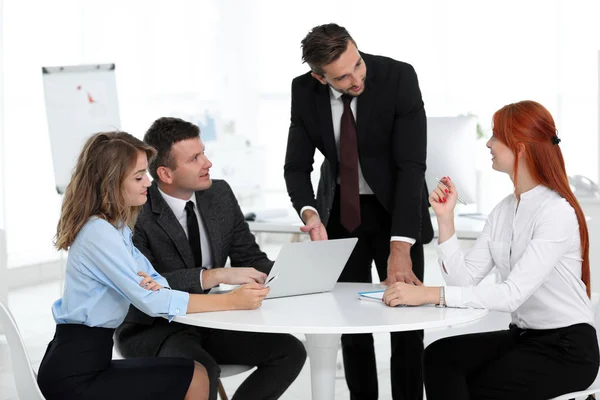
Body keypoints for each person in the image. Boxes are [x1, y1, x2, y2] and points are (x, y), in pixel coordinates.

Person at [383, 100, 600, 399]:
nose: (488, 143)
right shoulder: (503, 210)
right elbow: (464, 283)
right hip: (524, 337)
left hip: (567, 349)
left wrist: (427, 294)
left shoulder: (556, 212)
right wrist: (446, 219)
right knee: (439, 356)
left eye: (496, 136)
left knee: (478, 386)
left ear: (520, 147)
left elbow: (512, 294)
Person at [37, 132, 270, 400]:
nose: (148, 182)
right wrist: (231, 301)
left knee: (196, 372)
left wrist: (154, 288)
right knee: (195, 377)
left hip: (88, 360)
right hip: (76, 373)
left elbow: (156, 281)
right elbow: (152, 300)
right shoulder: (98, 232)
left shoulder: (118, 229)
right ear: (111, 184)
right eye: (138, 177)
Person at [283, 23, 433, 400]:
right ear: (319, 77)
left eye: (357, 65)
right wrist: (310, 214)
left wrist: (401, 246)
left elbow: (411, 166)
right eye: (341, 76)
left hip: (398, 212)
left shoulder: (399, 77)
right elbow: (296, 167)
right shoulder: (303, 91)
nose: (355, 78)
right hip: (341, 213)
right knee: (350, 321)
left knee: (406, 322)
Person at [115, 117, 307, 400]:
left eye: (203, 152)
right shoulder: (138, 209)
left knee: (290, 351)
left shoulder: (219, 194)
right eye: (195, 158)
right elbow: (147, 284)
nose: (208, 163)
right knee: (202, 371)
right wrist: (214, 275)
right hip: (156, 327)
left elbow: (249, 257)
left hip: (212, 317)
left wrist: (294, 272)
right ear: (166, 174)